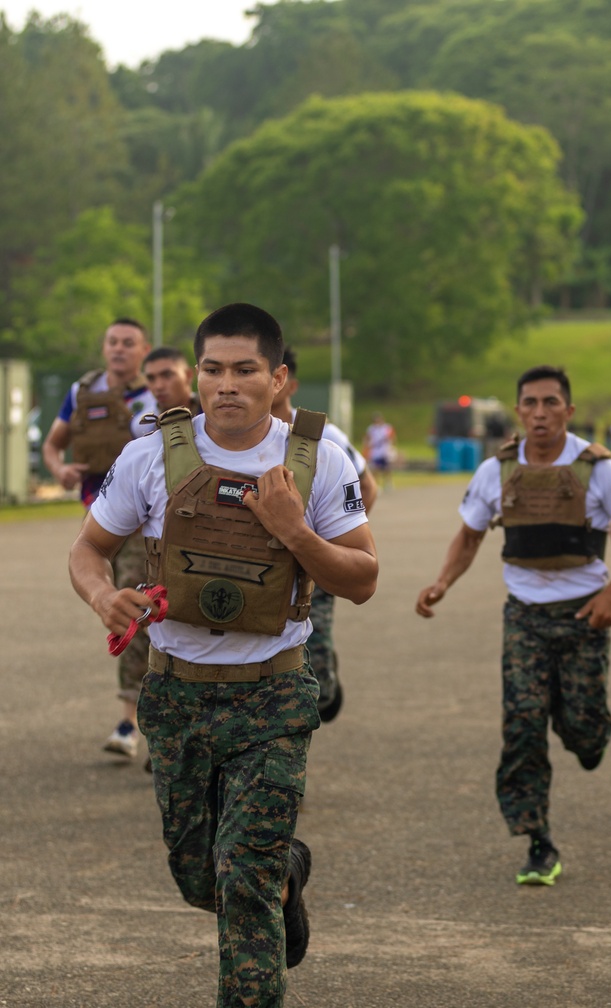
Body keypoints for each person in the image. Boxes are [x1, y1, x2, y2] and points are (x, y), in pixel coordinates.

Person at [68, 303, 378, 1005]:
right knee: (198, 876)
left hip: (272, 694)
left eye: (245, 370)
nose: (227, 384)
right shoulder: (150, 453)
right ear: (195, 376)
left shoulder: (318, 459)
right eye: (213, 369)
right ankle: (289, 873)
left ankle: (270, 883)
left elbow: (362, 579)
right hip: (176, 694)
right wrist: (101, 598)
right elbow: (90, 550)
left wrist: (294, 532)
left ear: (279, 378)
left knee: (244, 876)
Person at [415, 365, 611, 886]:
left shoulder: (598, 469)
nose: (541, 413)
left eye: (551, 403)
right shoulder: (496, 471)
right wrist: (443, 582)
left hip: (583, 614)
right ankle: (536, 839)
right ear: (518, 411)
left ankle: (591, 735)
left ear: (568, 410)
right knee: (523, 723)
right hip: (523, 615)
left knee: (583, 731)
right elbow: (470, 536)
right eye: (531, 404)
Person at [41, 317, 157, 760]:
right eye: (113, 342)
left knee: (134, 604)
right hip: (100, 515)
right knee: (123, 606)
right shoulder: (80, 392)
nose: (119, 349)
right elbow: (54, 444)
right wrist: (59, 469)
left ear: (142, 350)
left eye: (129, 343)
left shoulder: (154, 398)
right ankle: (135, 720)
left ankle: (134, 721)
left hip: (143, 522)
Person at [271, 347, 378, 722]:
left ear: (286, 381)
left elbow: (369, 488)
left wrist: (333, 537)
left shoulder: (322, 436)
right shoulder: (234, 436)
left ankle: (323, 678)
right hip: (267, 563)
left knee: (319, 669)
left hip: (313, 560)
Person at [132, 346, 200, 437]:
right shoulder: (142, 425)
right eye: (151, 378)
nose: (158, 386)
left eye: (167, 375)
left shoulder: (211, 414)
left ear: (188, 375)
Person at [362, 412, 397, 489]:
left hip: (385, 451)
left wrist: (392, 447)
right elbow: (367, 438)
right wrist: (366, 447)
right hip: (376, 451)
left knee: (387, 468)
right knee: (375, 469)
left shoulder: (387, 428)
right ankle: (376, 484)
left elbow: (392, 437)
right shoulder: (371, 428)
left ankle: (388, 483)